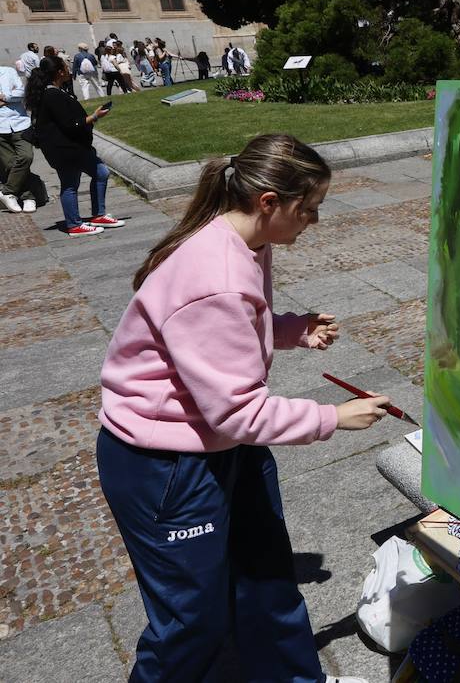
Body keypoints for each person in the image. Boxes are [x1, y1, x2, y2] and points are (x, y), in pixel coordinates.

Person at [96, 134, 382, 683]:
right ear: (269, 202)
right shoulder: (217, 276)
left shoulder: (249, 243)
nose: (314, 221)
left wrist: (292, 330)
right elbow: (238, 413)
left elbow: (228, 336)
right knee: (190, 623)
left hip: (218, 445)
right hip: (167, 465)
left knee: (267, 578)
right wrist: (333, 417)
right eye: (309, 209)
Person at [26, 56, 123, 236]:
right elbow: (70, 123)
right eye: (66, 66)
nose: (70, 69)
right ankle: (75, 224)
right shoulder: (52, 94)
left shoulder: (53, 91)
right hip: (66, 149)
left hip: (67, 148)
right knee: (73, 183)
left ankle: (96, 215)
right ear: (59, 72)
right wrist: (95, 116)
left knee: (97, 174)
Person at [0, 63, 37, 213]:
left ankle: (7, 192)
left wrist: (5, 97)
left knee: (26, 157)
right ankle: (28, 197)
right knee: (9, 165)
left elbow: (22, 92)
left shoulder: (8, 71)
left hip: (19, 123)